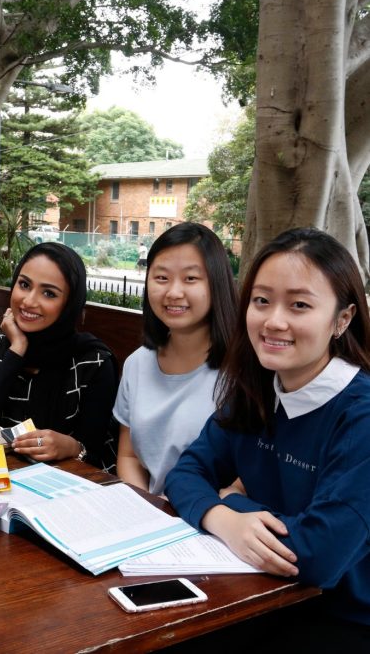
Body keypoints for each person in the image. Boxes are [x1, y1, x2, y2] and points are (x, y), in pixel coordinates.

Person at [165, 227, 370, 649]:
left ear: (342, 319)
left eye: (299, 305)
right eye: (261, 301)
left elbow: (317, 554)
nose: (274, 321)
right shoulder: (255, 389)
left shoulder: (361, 415)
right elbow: (186, 472)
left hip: (344, 616)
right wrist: (222, 518)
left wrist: (233, 502)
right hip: (260, 590)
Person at [0, 242, 118, 469]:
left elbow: (98, 451)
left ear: (69, 304)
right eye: (24, 284)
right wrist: (17, 351)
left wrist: (72, 447)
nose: (29, 301)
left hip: (65, 488)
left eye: (48, 293)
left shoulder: (93, 362)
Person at [113, 223, 238, 495]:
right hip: (152, 516)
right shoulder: (137, 364)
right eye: (161, 278)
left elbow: (247, 478)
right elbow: (129, 457)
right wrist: (145, 507)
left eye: (191, 279)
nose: (173, 292)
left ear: (216, 284)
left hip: (216, 521)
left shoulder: (241, 371)